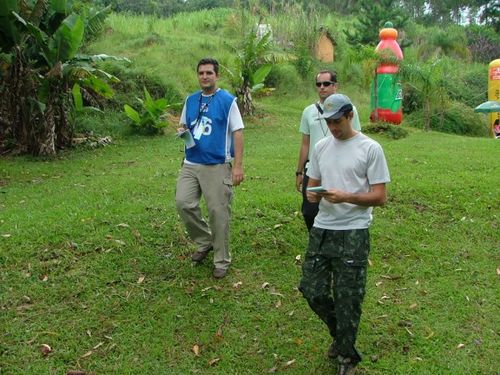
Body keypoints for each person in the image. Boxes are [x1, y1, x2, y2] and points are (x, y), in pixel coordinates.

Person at [299, 94, 390, 375]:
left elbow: (380, 197)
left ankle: (347, 357)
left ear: (350, 116)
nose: (333, 128)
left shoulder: (370, 149)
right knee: (311, 289)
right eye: (328, 122)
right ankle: (342, 337)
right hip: (323, 228)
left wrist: (346, 197)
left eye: (337, 121)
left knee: (348, 297)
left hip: (353, 231)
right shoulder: (322, 146)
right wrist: (313, 195)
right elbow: (313, 183)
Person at [175, 57, 244, 279]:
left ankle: (222, 260)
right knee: (183, 203)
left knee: (218, 212)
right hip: (190, 163)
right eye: (201, 73)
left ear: (217, 75)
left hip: (216, 164)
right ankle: (205, 241)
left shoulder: (227, 101)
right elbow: (184, 125)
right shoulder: (191, 100)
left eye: (209, 73)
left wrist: (238, 166)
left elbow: (238, 132)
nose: (205, 76)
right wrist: (183, 133)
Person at [295, 70, 362, 231]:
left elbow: (356, 138)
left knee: (338, 206)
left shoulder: (349, 110)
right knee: (309, 210)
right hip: (314, 168)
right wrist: (299, 172)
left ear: (335, 86)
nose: (322, 88)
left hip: (340, 166)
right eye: (319, 84)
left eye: (326, 84)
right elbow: (305, 143)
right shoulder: (308, 112)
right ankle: (317, 240)